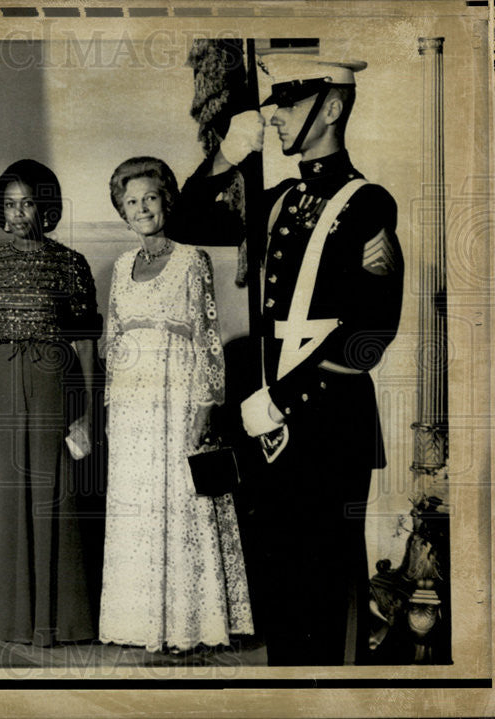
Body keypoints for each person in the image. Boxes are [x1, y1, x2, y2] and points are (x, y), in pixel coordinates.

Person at [181, 55, 405, 665]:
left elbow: (369, 334)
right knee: (276, 575)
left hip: (328, 421)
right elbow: (185, 220)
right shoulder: (278, 199)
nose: (274, 115)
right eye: (273, 103)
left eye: (291, 102)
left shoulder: (367, 204)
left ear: (331, 108)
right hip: (265, 419)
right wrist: (227, 155)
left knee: (326, 578)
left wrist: (279, 400)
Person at [96, 157, 253, 653]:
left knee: (182, 499)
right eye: (132, 201)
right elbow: (111, 337)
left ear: (166, 200)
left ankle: (189, 625)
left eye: (150, 197)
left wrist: (206, 407)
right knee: (137, 503)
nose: (142, 208)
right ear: (122, 211)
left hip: (178, 393)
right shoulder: (121, 266)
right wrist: (111, 404)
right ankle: (142, 623)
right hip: (131, 402)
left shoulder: (192, 260)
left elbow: (207, 340)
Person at [0, 159, 99, 646]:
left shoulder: (71, 263)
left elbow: (86, 342)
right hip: (1, 382)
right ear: (1, 212)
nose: (19, 213)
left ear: (46, 207)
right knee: (5, 497)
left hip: (51, 384)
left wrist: (88, 405)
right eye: (10, 204)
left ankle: (59, 620)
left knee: (52, 498)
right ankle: (10, 618)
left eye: (28, 203)